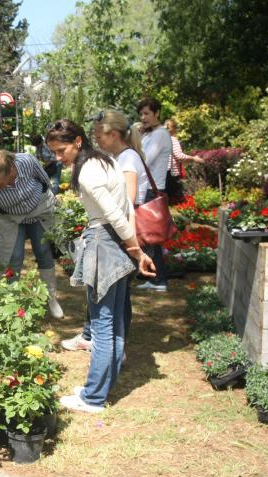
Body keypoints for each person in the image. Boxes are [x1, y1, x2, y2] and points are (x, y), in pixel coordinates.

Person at [45, 119, 154, 413]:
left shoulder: (88, 171)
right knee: (115, 322)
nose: (58, 157)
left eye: (61, 150)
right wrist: (133, 248)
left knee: (103, 326)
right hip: (116, 243)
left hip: (105, 243)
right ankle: (102, 388)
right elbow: (127, 208)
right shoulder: (105, 160)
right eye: (53, 152)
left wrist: (134, 247)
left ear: (78, 141)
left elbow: (115, 215)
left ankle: (92, 397)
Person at [61, 110, 148, 352]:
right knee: (110, 295)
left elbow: (125, 204)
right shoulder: (113, 157)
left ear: (113, 134)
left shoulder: (127, 159)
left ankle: (110, 347)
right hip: (119, 230)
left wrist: (132, 245)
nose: (96, 139)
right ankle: (107, 344)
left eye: (99, 135)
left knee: (114, 300)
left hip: (120, 231)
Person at [0, 150, 64, 319]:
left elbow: (45, 180)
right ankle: (10, 303)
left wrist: (53, 204)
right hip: (10, 218)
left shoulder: (27, 161)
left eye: (0, 183)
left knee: (44, 252)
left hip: (38, 211)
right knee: (12, 258)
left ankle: (51, 299)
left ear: (12, 171)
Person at [137, 97, 172, 292]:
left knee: (151, 236)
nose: (143, 118)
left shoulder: (160, 134)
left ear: (157, 113)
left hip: (153, 189)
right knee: (148, 236)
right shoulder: (150, 134)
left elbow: (144, 160)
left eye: (147, 113)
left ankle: (159, 279)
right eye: (141, 114)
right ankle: (154, 277)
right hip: (149, 189)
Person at [165, 119, 205, 185]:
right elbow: (179, 156)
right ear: (175, 129)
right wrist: (194, 158)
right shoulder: (172, 140)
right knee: (174, 195)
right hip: (171, 175)